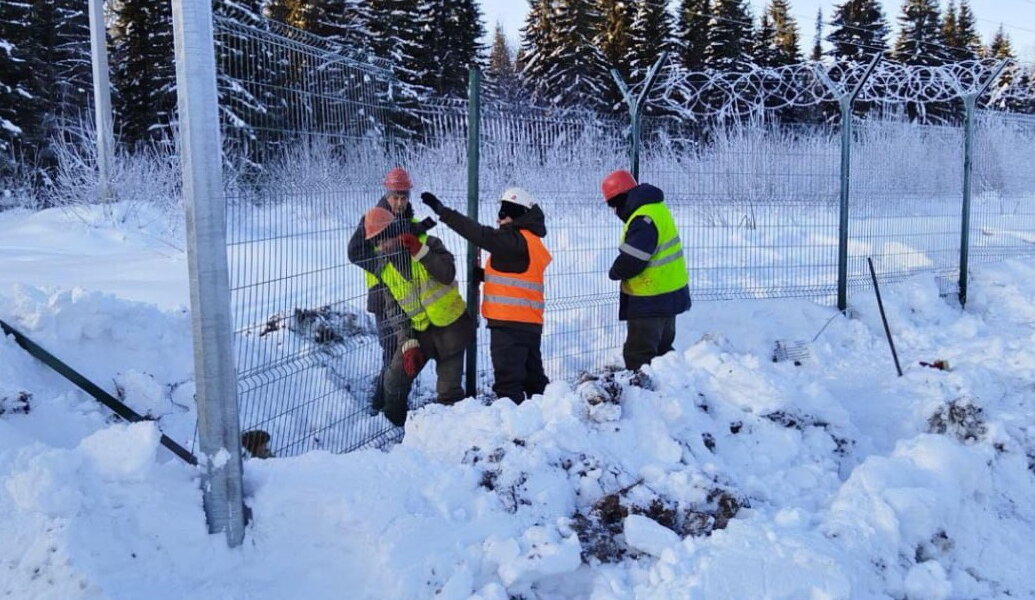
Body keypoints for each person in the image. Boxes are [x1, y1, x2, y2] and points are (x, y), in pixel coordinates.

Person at [420, 187, 551, 405]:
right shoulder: (530, 241)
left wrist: (443, 211)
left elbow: (479, 234)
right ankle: (549, 421)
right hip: (530, 323)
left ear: (516, 214)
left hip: (509, 326)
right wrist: (484, 275)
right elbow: (516, 275)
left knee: (508, 385)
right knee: (534, 379)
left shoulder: (512, 240)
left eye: (503, 213)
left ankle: (516, 431)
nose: (498, 219)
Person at [359, 205, 475, 426]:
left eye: (384, 239)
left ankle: (449, 438)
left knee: (449, 393)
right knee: (393, 381)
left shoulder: (429, 244)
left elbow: (447, 272)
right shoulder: (384, 269)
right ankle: (395, 427)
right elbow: (394, 310)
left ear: (395, 232)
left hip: (451, 328)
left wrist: (421, 253)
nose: (382, 246)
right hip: (420, 334)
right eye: (377, 242)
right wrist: (408, 342)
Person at [347, 167, 435, 414]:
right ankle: (382, 406)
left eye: (403, 197)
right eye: (395, 197)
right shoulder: (373, 218)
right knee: (392, 353)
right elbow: (354, 252)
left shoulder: (409, 220)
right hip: (381, 296)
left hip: (407, 297)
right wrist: (383, 269)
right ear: (386, 194)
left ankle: (391, 404)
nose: (399, 202)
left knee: (404, 352)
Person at [601, 169, 691, 371]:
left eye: (613, 206)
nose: (615, 212)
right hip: (669, 294)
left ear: (620, 200)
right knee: (663, 353)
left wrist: (615, 271)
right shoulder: (656, 209)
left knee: (639, 355)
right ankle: (672, 394)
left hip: (650, 298)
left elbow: (633, 260)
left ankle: (643, 398)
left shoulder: (643, 219)